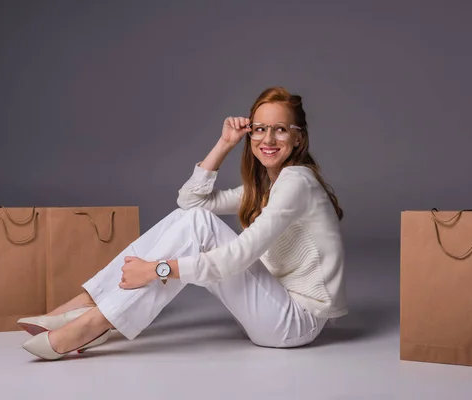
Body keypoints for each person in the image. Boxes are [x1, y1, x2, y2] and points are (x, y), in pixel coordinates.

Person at [19, 86, 348, 360]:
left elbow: (242, 255)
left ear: (298, 138)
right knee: (194, 218)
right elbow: (190, 202)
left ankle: (94, 321)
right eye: (260, 128)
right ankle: (89, 307)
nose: (269, 138)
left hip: (295, 323)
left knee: (199, 227)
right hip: (274, 304)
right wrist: (224, 144)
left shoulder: (297, 181)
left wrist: (159, 269)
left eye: (280, 129)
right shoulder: (265, 187)